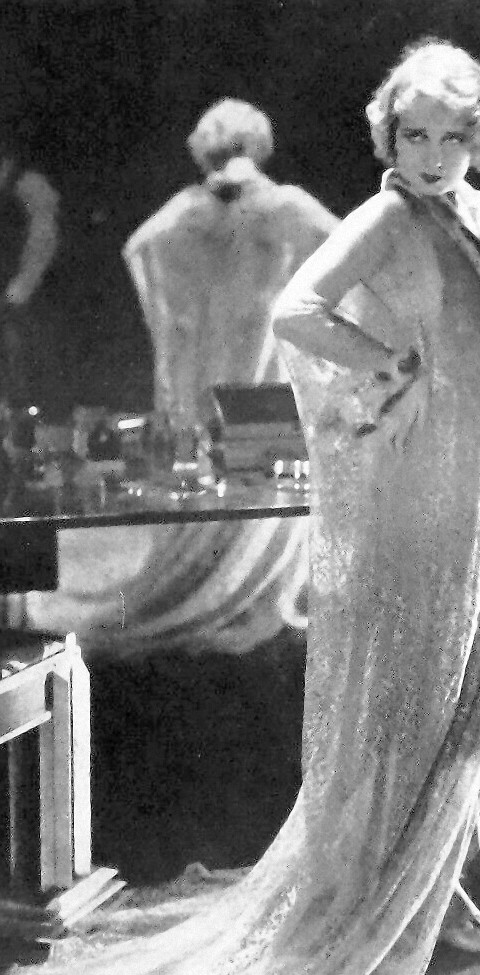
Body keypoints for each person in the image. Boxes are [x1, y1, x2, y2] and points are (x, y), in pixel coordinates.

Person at [1, 41, 480, 975]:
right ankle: (421, 890)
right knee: (424, 697)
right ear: (389, 137)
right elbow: (298, 311)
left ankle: (457, 867)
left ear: (479, 139)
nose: (430, 154)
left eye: (450, 136)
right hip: (427, 487)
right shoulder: (385, 219)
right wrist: (389, 367)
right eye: (412, 135)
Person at [25, 99, 338, 658]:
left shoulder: (184, 214)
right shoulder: (289, 208)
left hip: (209, 391)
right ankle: (258, 592)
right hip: (264, 393)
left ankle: (237, 588)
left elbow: (142, 250)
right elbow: (344, 257)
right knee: (265, 489)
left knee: (220, 482)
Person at [0, 131, 60, 409]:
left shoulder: (28, 186)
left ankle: (27, 418)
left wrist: (23, 285)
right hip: (13, 293)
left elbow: (43, 237)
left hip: (25, 295)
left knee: (24, 356)